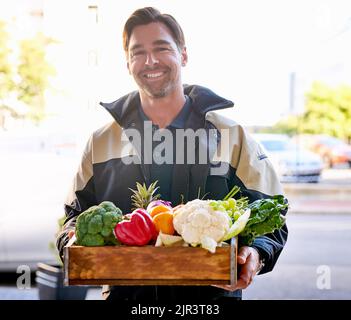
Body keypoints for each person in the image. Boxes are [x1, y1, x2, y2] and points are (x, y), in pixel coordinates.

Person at [57, 7, 288, 302]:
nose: (150, 60)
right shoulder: (101, 141)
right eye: (138, 51)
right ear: (128, 63)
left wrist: (256, 251)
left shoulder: (232, 138)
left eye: (161, 48)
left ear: (184, 55)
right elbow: (73, 217)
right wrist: (74, 241)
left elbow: (273, 214)